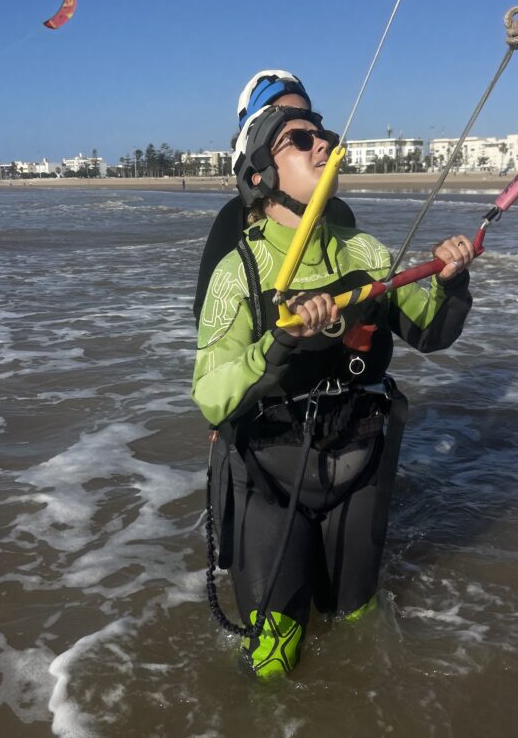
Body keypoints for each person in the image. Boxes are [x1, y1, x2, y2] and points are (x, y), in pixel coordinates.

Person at [191, 71, 477, 679]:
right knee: (275, 660)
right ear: (259, 175)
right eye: (300, 140)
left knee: (359, 627)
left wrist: (451, 283)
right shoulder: (237, 269)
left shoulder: (365, 251)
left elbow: (431, 331)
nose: (324, 143)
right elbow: (212, 396)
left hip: (357, 458)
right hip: (271, 472)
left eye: (324, 135)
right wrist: (278, 344)